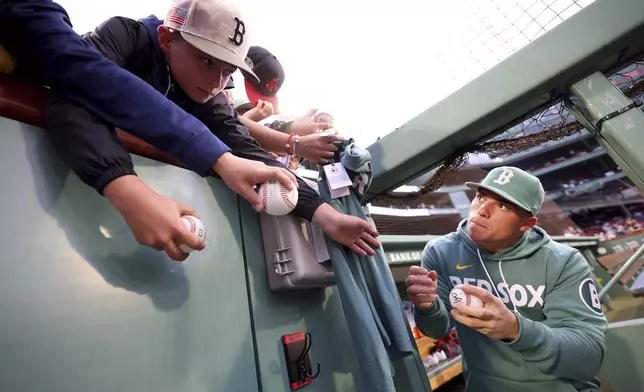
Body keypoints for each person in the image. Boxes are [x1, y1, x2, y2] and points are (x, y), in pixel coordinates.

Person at [5, 0, 380, 258]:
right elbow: (72, 93)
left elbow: (247, 150)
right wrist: (124, 181)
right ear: (168, 38)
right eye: (206, 60)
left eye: (227, 71)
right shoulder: (127, 36)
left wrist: (326, 215)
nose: (217, 81)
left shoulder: (210, 97)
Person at [404, 166, 607, 392]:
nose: (482, 210)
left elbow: (588, 357)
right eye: (481, 197)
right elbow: (437, 329)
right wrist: (427, 307)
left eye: (502, 205)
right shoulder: (441, 252)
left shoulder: (564, 261)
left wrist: (515, 329)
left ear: (526, 224)